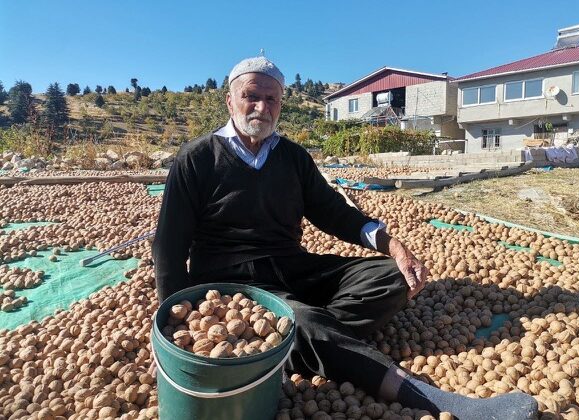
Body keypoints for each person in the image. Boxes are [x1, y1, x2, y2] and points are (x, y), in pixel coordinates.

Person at [152, 56, 538, 420]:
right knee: (304, 322)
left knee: (391, 277)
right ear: (230, 100)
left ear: (281, 104)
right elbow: (169, 245)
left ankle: (298, 342)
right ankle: (432, 398)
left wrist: (394, 246)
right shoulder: (198, 157)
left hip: (291, 268)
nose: (261, 107)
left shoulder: (292, 157)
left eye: (271, 99)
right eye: (251, 96)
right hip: (232, 285)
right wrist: (171, 327)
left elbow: (334, 213)